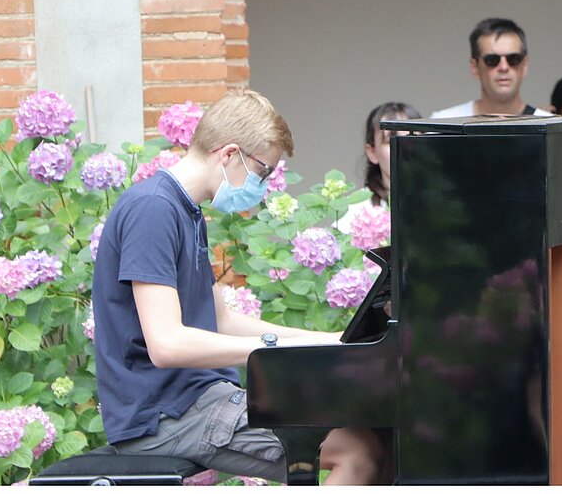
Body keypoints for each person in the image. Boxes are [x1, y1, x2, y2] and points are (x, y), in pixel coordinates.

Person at [92, 90, 382, 485]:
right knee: (358, 451)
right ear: (229, 153)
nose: (263, 184)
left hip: (193, 399)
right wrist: (282, 350)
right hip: (164, 414)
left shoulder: (187, 211)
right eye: (263, 171)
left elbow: (222, 321)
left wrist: (326, 341)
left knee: (372, 433)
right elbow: (167, 345)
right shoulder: (153, 210)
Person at [431, 17, 554, 118]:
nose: (503, 67)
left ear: (525, 65)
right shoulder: (443, 123)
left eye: (513, 59)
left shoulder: (551, 127)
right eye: (492, 60)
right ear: (475, 67)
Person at [337, 100, 420, 235]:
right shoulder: (355, 211)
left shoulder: (443, 200)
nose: (404, 147)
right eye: (391, 141)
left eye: (412, 138)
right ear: (372, 152)